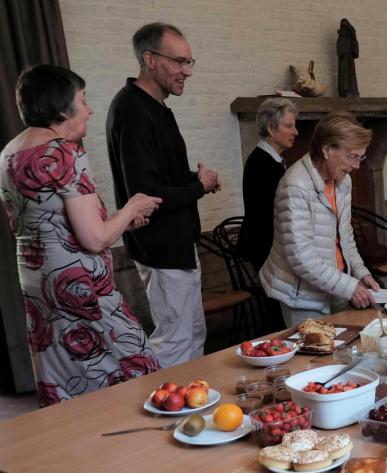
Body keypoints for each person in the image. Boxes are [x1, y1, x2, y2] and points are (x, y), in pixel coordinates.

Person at [0, 65, 161, 407]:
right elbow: (95, 240)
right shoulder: (63, 151)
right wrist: (131, 207)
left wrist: (119, 221)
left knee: (67, 379)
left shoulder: (9, 152)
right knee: (140, 368)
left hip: (37, 280)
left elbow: (53, 223)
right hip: (78, 282)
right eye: (83, 100)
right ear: (62, 109)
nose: (89, 109)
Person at [106, 22, 220, 368]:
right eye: (179, 61)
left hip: (178, 245)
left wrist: (196, 180)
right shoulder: (132, 110)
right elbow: (147, 194)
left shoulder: (155, 107)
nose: (187, 71)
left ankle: (193, 400)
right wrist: (198, 187)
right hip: (162, 248)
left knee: (192, 336)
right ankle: (168, 403)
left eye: (189, 62)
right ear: (150, 59)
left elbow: (159, 176)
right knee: (174, 343)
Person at [259, 112, 380, 325]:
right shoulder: (295, 185)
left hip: (336, 284)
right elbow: (300, 257)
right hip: (302, 296)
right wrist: (349, 287)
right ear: (326, 150)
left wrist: (360, 273)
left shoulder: (343, 181)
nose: (357, 166)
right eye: (352, 156)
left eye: (360, 157)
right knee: (313, 346)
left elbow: (345, 236)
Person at [236, 97, 297, 332]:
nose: (295, 132)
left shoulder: (271, 160)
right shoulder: (261, 164)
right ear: (271, 128)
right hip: (266, 248)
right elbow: (267, 217)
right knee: (277, 310)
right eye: (289, 126)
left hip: (272, 246)